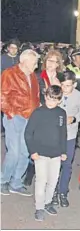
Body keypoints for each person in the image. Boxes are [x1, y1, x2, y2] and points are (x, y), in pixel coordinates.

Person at [24, 85, 67, 221]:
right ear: (45, 96)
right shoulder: (38, 113)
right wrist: (32, 151)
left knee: (53, 181)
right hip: (40, 153)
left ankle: (48, 202)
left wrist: (63, 151)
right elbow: (28, 133)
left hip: (55, 154)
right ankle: (39, 207)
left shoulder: (61, 113)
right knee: (41, 181)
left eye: (54, 100)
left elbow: (63, 133)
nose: (50, 102)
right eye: (49, 99)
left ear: (60, 100)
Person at [1, 49, 40, 196]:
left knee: (25, 152)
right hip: (15, 117)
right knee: (14, 152)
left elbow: (35, 97)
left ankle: (15, 183)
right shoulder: (9, 74)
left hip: (29, 118)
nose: (36, 66)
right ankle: (3, 181)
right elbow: (2, 96)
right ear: (24, 61)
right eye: (34, 62)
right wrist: (11, 113)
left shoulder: (33, 76)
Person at [51, 71, 80, 208]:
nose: (65, 89)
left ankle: (63, 192)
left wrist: (75, 118)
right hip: (55, 135)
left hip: (70, 135)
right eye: (63, 85)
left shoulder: (79, 96)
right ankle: (53, 191)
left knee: (67, 164)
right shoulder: (56, 93)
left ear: (75, 84)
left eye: (68, 86)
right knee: (55, 163)